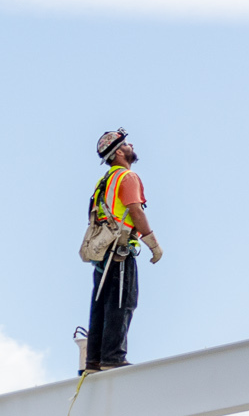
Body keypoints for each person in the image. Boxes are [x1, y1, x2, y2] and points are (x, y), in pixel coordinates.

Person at [85, 129, 161, 372]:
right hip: (119, 250)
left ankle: (94, 360)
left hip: (101, 251)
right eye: (126, 144)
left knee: (101, 304)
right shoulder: (127, 177)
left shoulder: (104, 181)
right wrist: (153, 244)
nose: (131, 146)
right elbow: (135, 211)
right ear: (119, 151)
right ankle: (113, 357)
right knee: (121, 302)